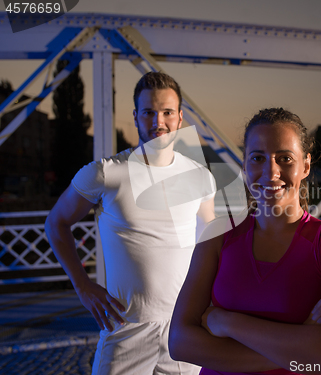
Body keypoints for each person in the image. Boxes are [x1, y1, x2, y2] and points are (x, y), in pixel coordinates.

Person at [169, 108, 321, 375]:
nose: (271, 172)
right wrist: (301, 343)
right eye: (258, 158)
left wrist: (226, 322)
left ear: (305, 166)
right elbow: (179, 343)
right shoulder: (217, 235)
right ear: (245, 166)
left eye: (285, 158)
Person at [45, 72, 216, 375]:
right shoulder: (106, 174)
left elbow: (211, 246)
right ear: (136, 117)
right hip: (125, 328)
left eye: (166, 112)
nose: (158, 121)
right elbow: (56, 223)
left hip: (184, 326)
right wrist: (82, 285)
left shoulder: (201, 178)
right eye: (149, 112)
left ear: (179, 118)